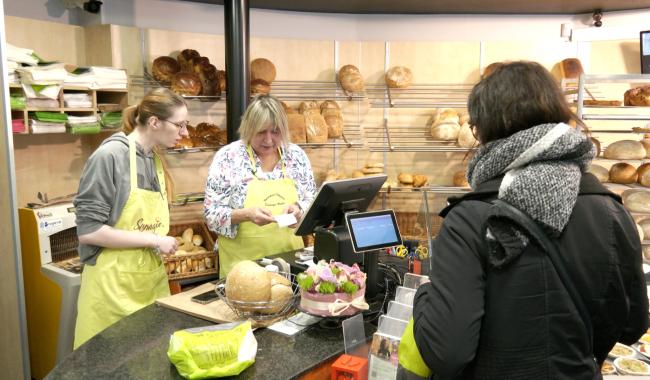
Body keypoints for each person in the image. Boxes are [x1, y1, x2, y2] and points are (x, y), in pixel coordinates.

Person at [398, 61, 648, 379]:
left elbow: (446, 353)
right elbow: (632, 325)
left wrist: (424, 298)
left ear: (485, 129)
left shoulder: (470, 219)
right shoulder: (613, 211)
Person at [73, 88, 188, 348]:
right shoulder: (109, 157)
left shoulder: (154, 159)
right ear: (154, 122)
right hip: (112, 289)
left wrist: (155, 242)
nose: (185, 133)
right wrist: (153, 240)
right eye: (180, 125)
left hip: (149, 285)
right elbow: (89, 231)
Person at [204, 94, 316, 277]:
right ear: (248, 128)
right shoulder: (228, 158)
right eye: (261, 132)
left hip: (289, 265)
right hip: (241, 269)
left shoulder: (296, 156)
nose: (269, 140)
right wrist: (246, 215)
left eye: (276, 131)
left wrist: (299, 209)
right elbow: (212, 215)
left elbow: (311, 201)